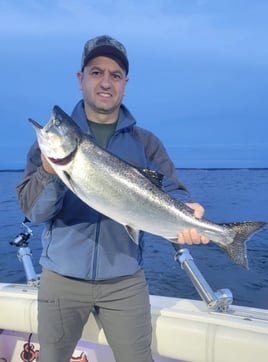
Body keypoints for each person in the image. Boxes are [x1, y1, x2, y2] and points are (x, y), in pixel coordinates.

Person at [16, 35, 209, 362]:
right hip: (61, 281)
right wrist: (49, 172)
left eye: (115, 75)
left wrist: (187, 212)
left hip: (125, 283)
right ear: (81, 79)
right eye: (96, 72)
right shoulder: (47, 147)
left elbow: (172, 189)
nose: (106, 82)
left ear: (125, 83)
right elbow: (33, 212)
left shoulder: (146, 143)